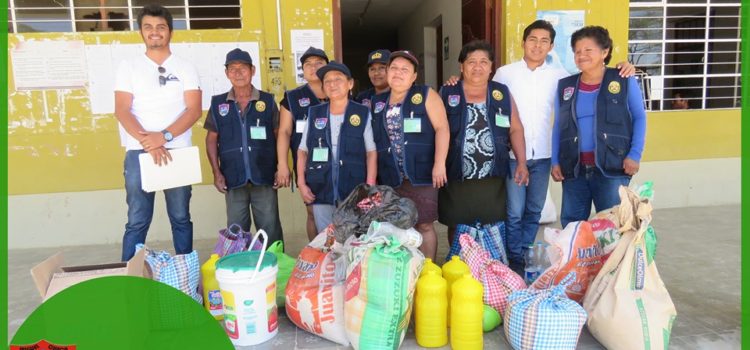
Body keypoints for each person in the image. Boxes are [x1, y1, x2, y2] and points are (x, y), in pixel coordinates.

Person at [445, 20, 634, 274]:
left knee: (534, 210)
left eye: (544, 41)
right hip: (514, 154)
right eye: (532, 39)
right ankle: (512, 258)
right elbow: (480, 83)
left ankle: (524, 256)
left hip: (544, 154)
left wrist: (624, 66)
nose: (537, 45)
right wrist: (455, 80)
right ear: (523, 43)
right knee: (513, 211)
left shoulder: (562, 77)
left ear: (552, 46)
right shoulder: (504, 73)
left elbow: (593, 76)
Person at [114, 4, 202, 261]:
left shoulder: (185, 67)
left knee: (181, 218)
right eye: (148, 27)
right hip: (139, 154)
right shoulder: (128, 66)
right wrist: (149, 142)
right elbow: (122, 110)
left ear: (170, 32)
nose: (155, 32)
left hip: (176, 152)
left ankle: (185, 275)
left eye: (161, 27)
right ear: (141, 32)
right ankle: (130, 281)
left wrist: (162, 137)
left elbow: (193, 110)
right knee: (137, 221)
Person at [438, 40, 529, 253]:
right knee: (457, 224)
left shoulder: (501, 93)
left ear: (491, 67)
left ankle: (486, 269)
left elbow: (516, 129)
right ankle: (457, 264)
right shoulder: (447, 92)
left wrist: (522, 162)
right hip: (457, 173)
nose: (477, 67)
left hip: (492, 176)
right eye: (471, 62)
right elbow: (437, 130)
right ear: (461, 66)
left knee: (491, 226)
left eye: (483, 62)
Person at [551, 26, 647, 228]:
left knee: (615, 225)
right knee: (573, 227)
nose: (582, 55)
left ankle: (615, 262)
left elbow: (639, 117)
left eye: (588, 50)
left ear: (604, 52)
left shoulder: (623, 80)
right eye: (577, 51)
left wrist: (635, 154)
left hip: (612, 166)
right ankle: (578, 261)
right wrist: (555, 161)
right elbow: (559, 125)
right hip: (575, 168)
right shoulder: (566, 86)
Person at [370, 50, 450, 261]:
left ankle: (428, 271)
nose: (398, 73)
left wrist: (439, 163)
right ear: (387, 72)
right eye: (394, 68)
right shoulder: (378, 103)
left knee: (424, 223)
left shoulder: (425, 94)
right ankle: (405, 270)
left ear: (414, 76)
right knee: (397, 225)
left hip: (422, 173)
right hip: (391, 176)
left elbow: (442, 128)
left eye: (405, 69)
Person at [204, 48, 283, 244]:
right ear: (226, 73)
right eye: (232, 68)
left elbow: (279, 135)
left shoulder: (267, 101)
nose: (238, 73)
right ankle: (242, 270)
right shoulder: (218, 104)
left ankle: (275, 270)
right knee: (236, 231)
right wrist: (216, 172)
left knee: (270, 229)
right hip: (233, 177)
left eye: (243, 68)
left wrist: (281, 167)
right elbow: (211, 139)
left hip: (264, 176)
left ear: (253, 70)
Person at [296, 61, 377, 232]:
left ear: (350, 84)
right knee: (326, 236)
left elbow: (371, 153)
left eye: (338, 79)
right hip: (321, 186)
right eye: (327, 81)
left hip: (354, 187)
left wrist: (369, 187)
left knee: (354, 237)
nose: (332, 84)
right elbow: (303, 151)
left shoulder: (361, 113)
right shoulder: (314, 113)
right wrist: (302, 184)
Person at [277, 46, 329, 241]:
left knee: (340, 212)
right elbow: (284, 131)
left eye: (318, 63)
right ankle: (315, 258)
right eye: (308, 64)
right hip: (307, 165)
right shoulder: (292, 98)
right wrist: (283, 165)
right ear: (303, 70)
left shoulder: (338, 91)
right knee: (312, 212)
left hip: (339, 163)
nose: (313, 67)